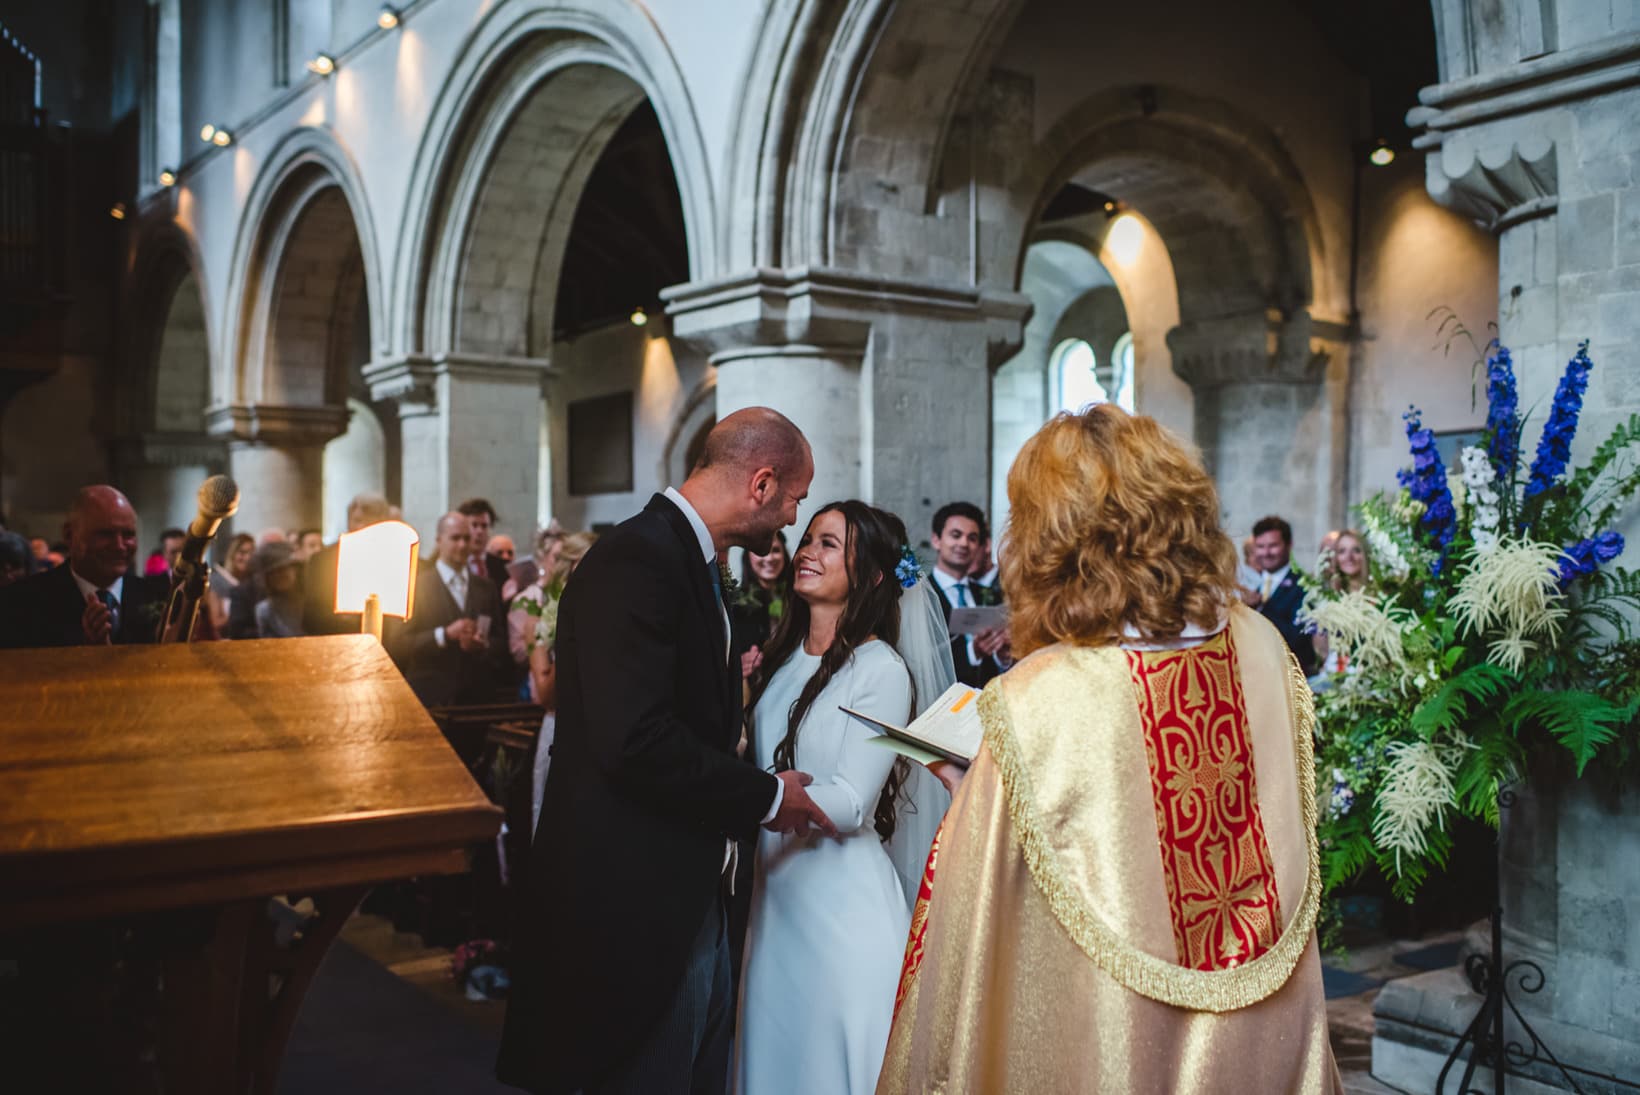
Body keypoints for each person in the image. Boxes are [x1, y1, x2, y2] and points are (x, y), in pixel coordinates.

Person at [878, 405, 1341, 1092]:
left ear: (1054, 535)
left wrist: (969, 794)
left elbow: (976, 942)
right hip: (1260, 1035)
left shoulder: (1040, 697)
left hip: (1107, 1031)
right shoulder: (1264, 650)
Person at [497, 407, 834, 1095]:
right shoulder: (638, 559)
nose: (792, 520)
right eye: (795, 498)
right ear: (761, 483)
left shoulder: (686, 558)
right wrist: (769, 796)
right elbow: (636, 740)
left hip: (684, 880)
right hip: (631, 896)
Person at [737, 502, 917, 1095]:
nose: (808, 551)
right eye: (809, 538)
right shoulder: (781, 657)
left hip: (841, 905)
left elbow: (852, 799)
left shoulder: (880, 669)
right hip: (777, 895)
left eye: (830, 544)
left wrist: (763, 798)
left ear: (869, 576)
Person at [0, 486, 170, 648]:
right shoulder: (21, 602)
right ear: (69, 535)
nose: (119, 545)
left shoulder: (158, 598)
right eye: (105, 534)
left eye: (128, 535)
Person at [388, 512, 509, 708]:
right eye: (455, 538)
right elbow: (398, 643)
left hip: (477, 700)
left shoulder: (486, 587)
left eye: (466, 538)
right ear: (439, 540)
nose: (462, 545)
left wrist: (483, 644)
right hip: (429, 697)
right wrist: (443, 635)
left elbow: (501, 642)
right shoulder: (414, 587)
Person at [926, 502, 1009, 687]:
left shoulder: (988, 595)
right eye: (956, 535)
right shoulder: (923, 596)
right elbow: (924, 663)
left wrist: (1002, 657)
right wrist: (973, 651)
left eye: (972, 538)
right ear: (936, 540)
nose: (964, 543)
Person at [304, 492, 391, 635]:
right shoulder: (323, 561)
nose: (361, 527)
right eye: (356, 520)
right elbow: (311, 617)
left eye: (369, 521)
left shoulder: (395, 560)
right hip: (338, 642)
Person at [1252, 514, 1317, 675]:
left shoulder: (1304, 585)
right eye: (1260, 546)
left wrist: (1260, 607)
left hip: (1291, 676)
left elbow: (1297, 638)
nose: (1266, 553)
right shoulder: (1250, 583)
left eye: (1273, 545)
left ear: (1289, 545)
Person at [733, 531, 792, 680]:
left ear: (784, 554)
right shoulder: (736, 605)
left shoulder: (799, 599)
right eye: (761, 552)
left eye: (776, 551)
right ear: (748, 557)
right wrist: (737, 664)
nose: (769, 558)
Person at [1312, 528, 1369, 677]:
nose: (1349, 557)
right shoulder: (1329, 597)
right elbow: (1321, 650)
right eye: (1342, 551)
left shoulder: (1380, 594)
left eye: (1356, 550)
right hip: (1336, 673)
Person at [252, 541, 306, 638]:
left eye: (283, 569)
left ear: (295, 569)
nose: (279, 575)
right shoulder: (265, 610)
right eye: (273, 572)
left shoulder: (310, 603)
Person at [208, 532, 256, 636]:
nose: (247, 558)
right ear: (232, 554)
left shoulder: (254, 581)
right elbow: (216, 623)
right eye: (242, 552)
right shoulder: (217, 580)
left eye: (251, 553)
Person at [457, 497, 510, 589]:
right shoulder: (453, 563)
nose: (479, 531)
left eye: (484, 526)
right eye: (474, 525)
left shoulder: (503, 567)